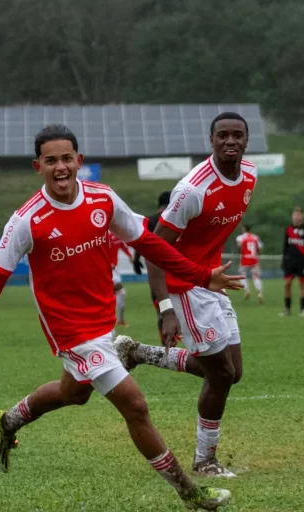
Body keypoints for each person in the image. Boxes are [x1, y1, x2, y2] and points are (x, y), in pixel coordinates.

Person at [0, 125, 241, 510]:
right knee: (135, 405)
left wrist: (201, 276)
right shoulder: (26, 220)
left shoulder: (103, 199)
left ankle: (5, 421)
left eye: (67, 158)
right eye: (51, 160)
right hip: (70, 331)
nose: (60, 167)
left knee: (74, 393)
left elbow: (148, 242)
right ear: (38, 166)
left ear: (79, 161)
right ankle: (191, 494)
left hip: (101, 322)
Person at [114, 112, 257, 478]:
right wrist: (165, 308)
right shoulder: (192, 190)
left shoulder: (250, 176)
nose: (230, 141)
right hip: (184, 286)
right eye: (222, 135)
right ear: (210, 141)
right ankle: (204, 461)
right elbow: (155, 250)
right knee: (220, 373)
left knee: (231, 372)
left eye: (237, 135)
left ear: (246, 140)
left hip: (211, 282)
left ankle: (140, 352)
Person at [132, 191, 173, 331]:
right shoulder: (179, 217)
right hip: (179, 271)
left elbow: (141, 242)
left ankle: (167, 348)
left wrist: (136, 261)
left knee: (163, 310)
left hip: (158, 274)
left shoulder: (150, 221)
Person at [281, 207, 304, 317]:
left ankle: (302, 310)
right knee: (287, 284)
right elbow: (285, 246)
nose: (296, 217)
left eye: (298, 215)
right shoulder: (288, 229)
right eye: (294, 215)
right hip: (290, 261)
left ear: (302, 216)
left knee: (302, 285)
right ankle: (287, 310)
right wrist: (283, 260)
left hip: (302, 261)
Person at [108, 231, 133, 327]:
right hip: (107, 270)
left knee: (117, 294)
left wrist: (130, 257)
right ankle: (113, 320)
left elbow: (123, 247)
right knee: (118, 292)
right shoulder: (104, 236)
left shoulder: (116, 236)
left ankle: (119, 320)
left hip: (114, 270)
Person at [235, 225, 264, 303]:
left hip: (245, 259)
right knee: (256, 277)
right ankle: (260, 293)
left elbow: (239, 247)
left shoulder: (240, 237)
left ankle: (247, 290)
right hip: (254, 259)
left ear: (244, 229)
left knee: (242, 275)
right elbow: (260, 249)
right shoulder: (255, 237)